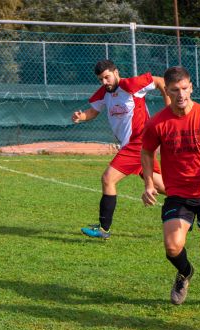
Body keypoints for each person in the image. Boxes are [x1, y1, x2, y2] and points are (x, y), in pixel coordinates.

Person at [141, 66, 200, 313]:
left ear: (191, 87)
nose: (181, 94)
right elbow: (146, 152)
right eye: (174, 90)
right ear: (168, 91)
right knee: (173, 246)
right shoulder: (158, 123)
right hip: (179, 195)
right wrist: (149, 184)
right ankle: (185, 272)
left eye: (185, 88)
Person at [72, 60, 169, 239]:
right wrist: (81, 116)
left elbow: (161, 81)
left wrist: (169, 108)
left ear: (116, 72)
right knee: (161, 186)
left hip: (138, 142)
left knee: (108, 179)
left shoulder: (130, 85)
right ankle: (194, 200)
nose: (104, 82)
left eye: (107, 77)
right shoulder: (104, 92)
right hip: (133, 145)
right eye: (101, 79)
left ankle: (104, 229)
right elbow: (94, 111)